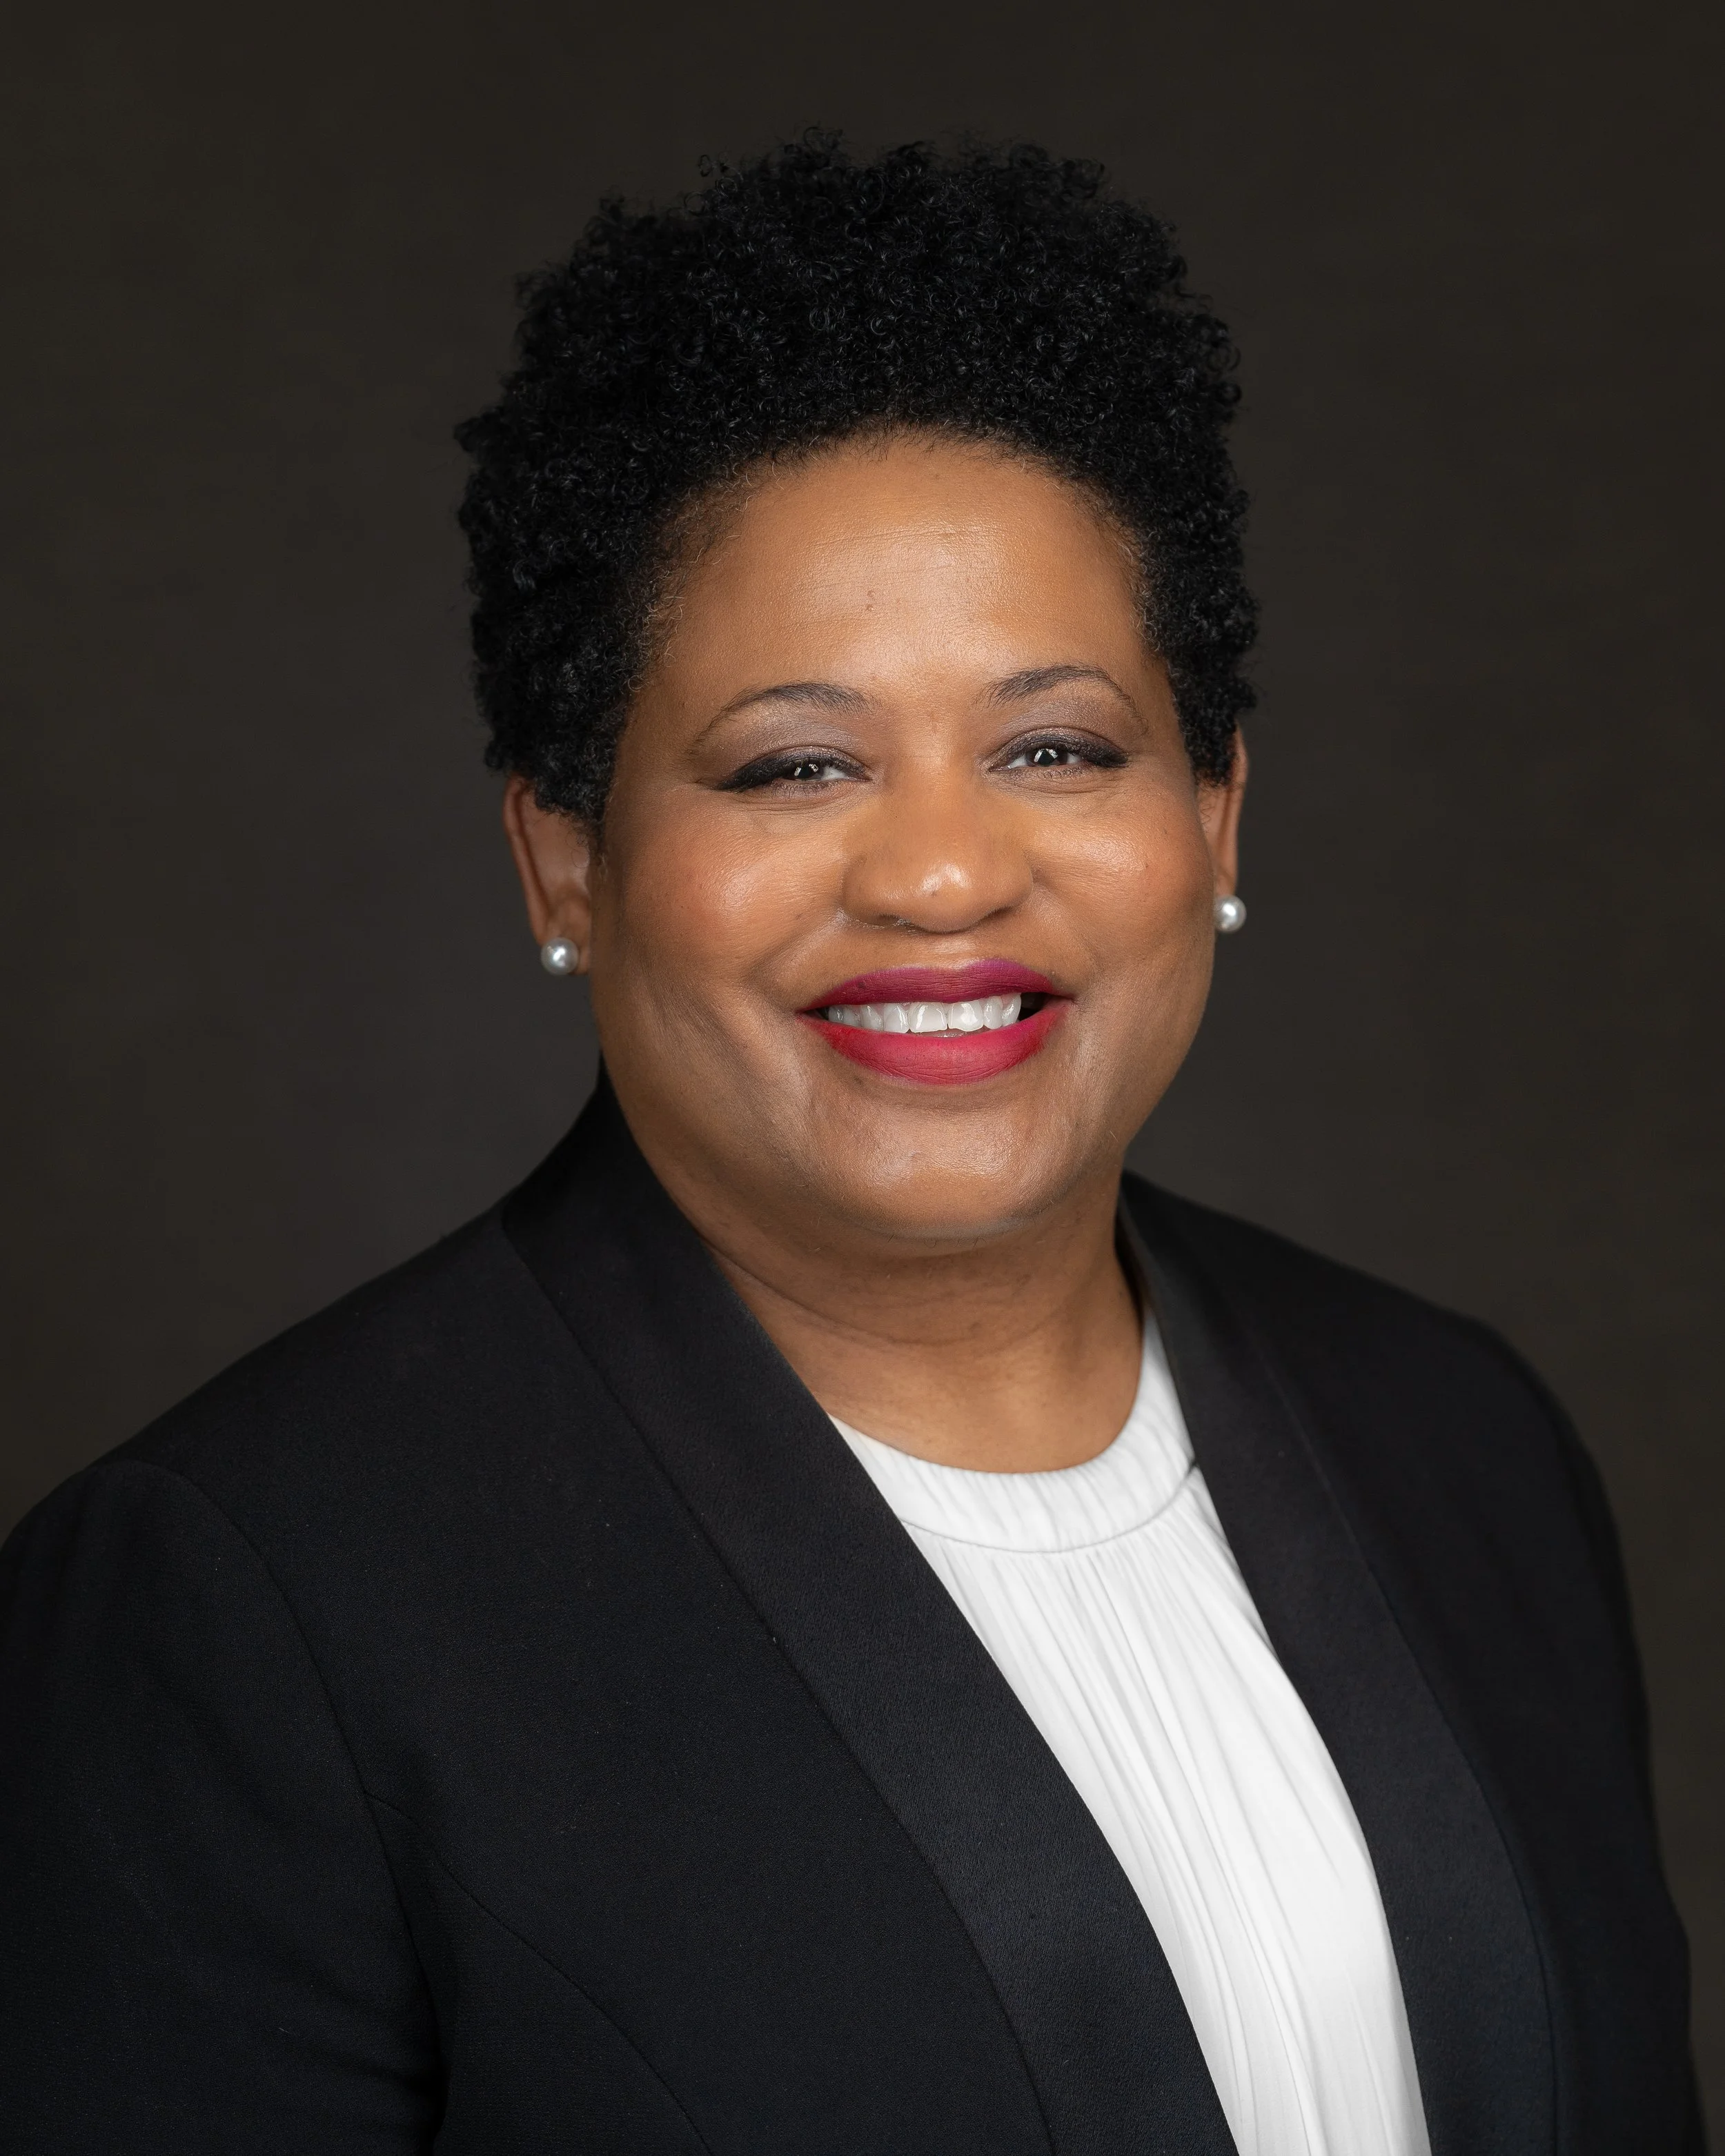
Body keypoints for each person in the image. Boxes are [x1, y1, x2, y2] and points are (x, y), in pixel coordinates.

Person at [0, 137, 1700, 2156]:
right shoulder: (246, 1604)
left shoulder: (1457, 1438)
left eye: (1058, 743)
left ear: (1219, 811)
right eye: (794, 762)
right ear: (563, 848)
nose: (946, 869)